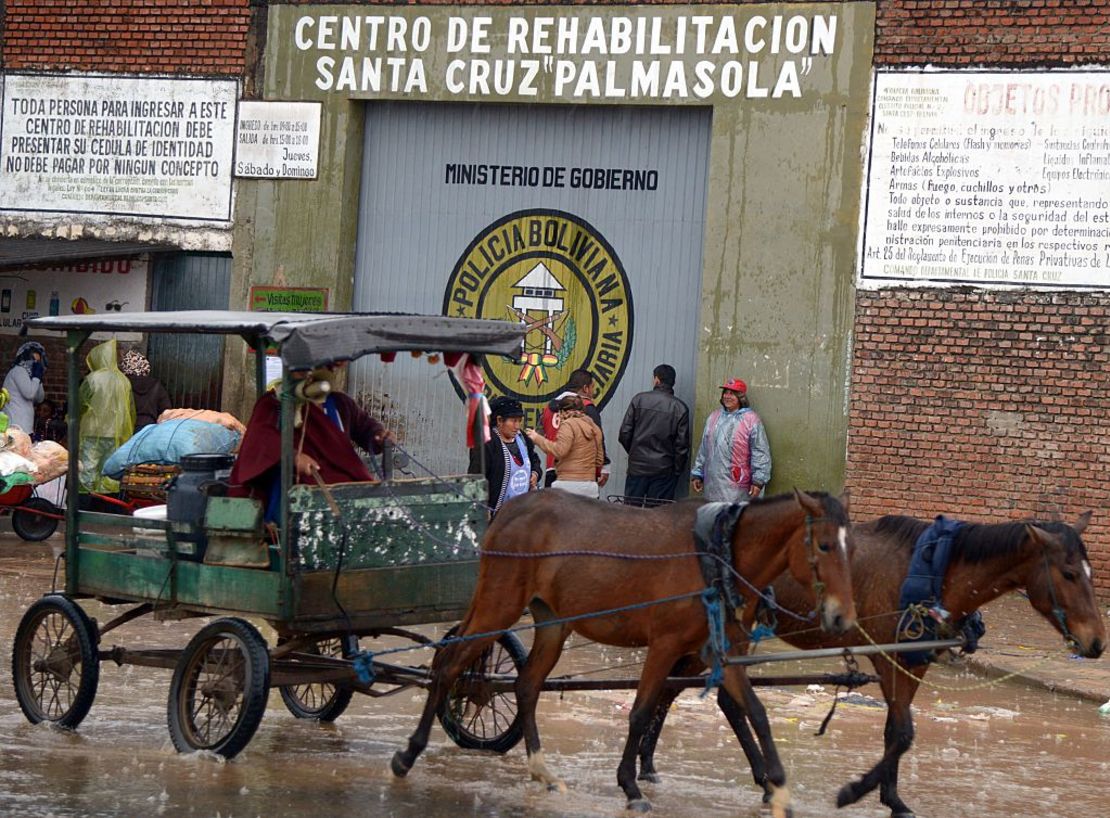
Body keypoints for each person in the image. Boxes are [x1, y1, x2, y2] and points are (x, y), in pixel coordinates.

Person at [229, 365, 393, 520]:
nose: (309, 377)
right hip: (297, 495)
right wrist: (293, 457)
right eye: (302, 372)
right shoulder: (274, 404)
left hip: (347, 492)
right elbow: (260, 441)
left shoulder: (340, 404)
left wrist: (378, 436)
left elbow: (365, 427)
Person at [618, 363, 690, 506]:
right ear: (672, 382)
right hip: (664, 471)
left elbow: (624, 434)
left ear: (656, 379)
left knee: (631, 513)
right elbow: (681, 446)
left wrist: (635, 453)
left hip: (637, 468)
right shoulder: (680, 408)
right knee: (657, 517)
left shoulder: (639, 399)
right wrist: (676, 471)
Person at [690, 377, 771, 503]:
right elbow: (704, 448)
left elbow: (760, 452)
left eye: (732, 393)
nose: (727, 396)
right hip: (712, 485)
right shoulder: (714, 417)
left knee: (735, 519)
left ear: (741, 397)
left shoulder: (751, 420)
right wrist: (697, 473)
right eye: (725, 393)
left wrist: (758, 481)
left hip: (738, 488)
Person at [77, 339, 135, 495]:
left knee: (87, 469)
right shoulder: (124, 381)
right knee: (109, 470)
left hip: (92, 432)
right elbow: (130, 410)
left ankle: (85, 503)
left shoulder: (92, 379)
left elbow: (79, 404)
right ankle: (107, 503)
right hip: (116, 433)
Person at [469, 396, 542, 517]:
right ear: (499, 420)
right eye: (513, 421)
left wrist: (535, 473)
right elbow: (476, 478)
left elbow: (534, 459)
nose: (517, 426)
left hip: (522, 513)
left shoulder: (522, 438)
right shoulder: (486, 443)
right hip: (496, 516)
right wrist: (482, 507)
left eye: (519, 421)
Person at [540, 368, 609, 488]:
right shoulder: (587, 408)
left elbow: (541, 434)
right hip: (578, 476)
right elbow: (598, 441)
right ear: (585, 388)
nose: (592, 393)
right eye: (592, 387)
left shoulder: (547, 409)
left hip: (552, 471)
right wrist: (604, 467)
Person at [526, 394, 604, 499]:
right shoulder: (594, 428)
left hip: (567, 485)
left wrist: (537, 438)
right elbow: (599, 461)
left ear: (563, 412)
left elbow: (560, 451)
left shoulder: (568, 425)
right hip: (590, 487)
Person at [120, 349, 171, 431]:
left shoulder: (123, 384)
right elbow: (166, 410)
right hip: (149, 427)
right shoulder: (156, 385)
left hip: (127, 428)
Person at [3, 341, 47, 434]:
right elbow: (29, 394)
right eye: (33, 360)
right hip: (15, 424)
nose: (35, 364)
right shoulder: (19, 371)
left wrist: (39, 380)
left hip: (25, 426)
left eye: (38, 362)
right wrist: (35, 378)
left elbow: (39, 399)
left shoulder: (29, 375)